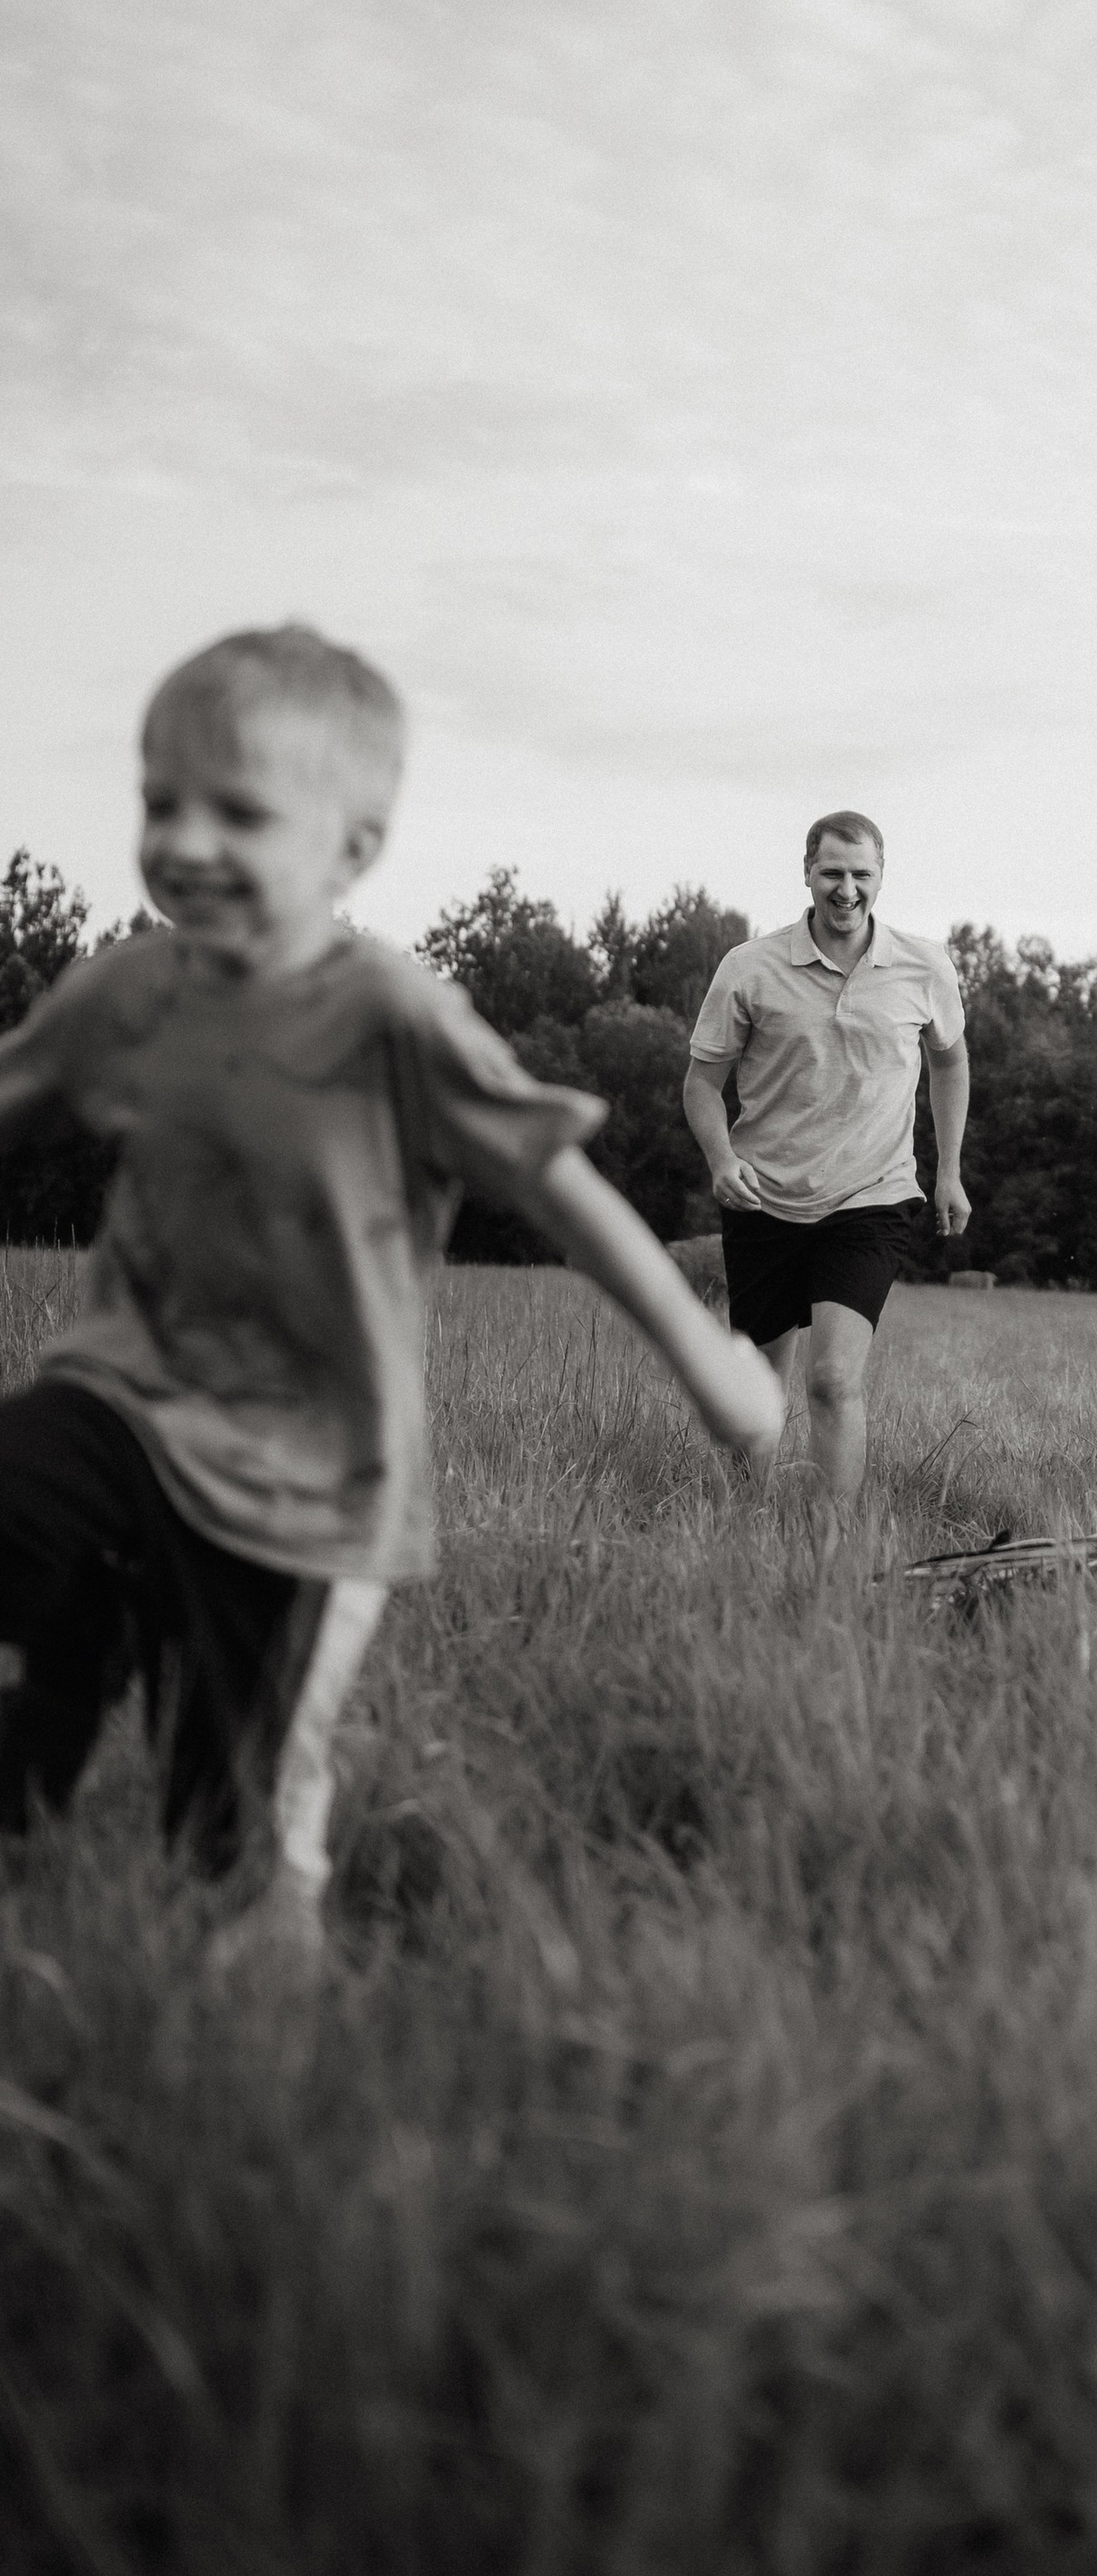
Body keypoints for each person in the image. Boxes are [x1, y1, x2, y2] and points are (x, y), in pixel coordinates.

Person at [0, 626, 784, 1975]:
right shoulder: (131, 989)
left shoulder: (389, 1017)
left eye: (236, 811)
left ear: (352, 848)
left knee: (224, 1846)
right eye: (157, 800)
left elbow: (564, 1197)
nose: (183, 840)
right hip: (121, 1398)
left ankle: (260, 2019)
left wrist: (713, 1370)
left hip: (305, 1483)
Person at [682, 812, 969, 1507]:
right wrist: (722, 1161)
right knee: (756, 1389)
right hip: (764, 1197)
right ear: (806, 872)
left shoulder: (924, 966)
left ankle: (829, 1555)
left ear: (881, 878)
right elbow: (700, 1084)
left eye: (860, 874)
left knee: (833, 1380)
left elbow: (951, 1063)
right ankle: (746, 1526)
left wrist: (949, 1170)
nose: (846, 889)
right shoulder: (750, 968)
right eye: (832, 873)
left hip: (872, 1197)